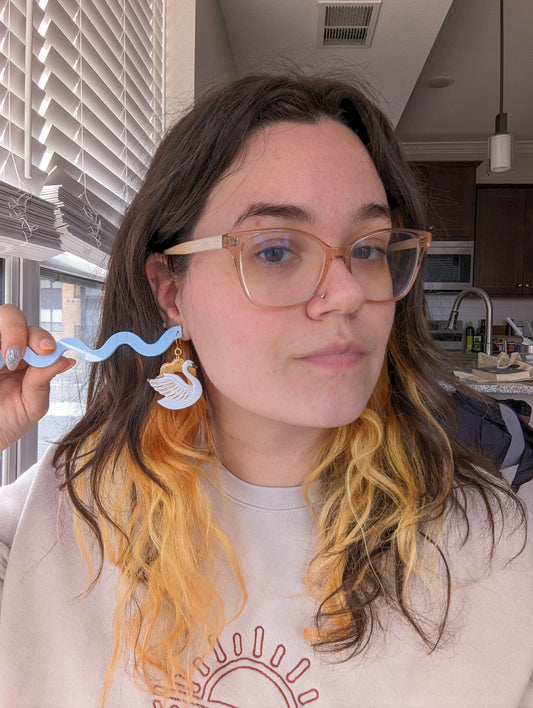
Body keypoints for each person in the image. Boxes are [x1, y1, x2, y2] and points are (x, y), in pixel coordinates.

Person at [0, 73, 532, 708]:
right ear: (171, 293)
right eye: (276, 250)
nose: (349, 293)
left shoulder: (496, 550)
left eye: (368, 249)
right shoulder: (61, 517)